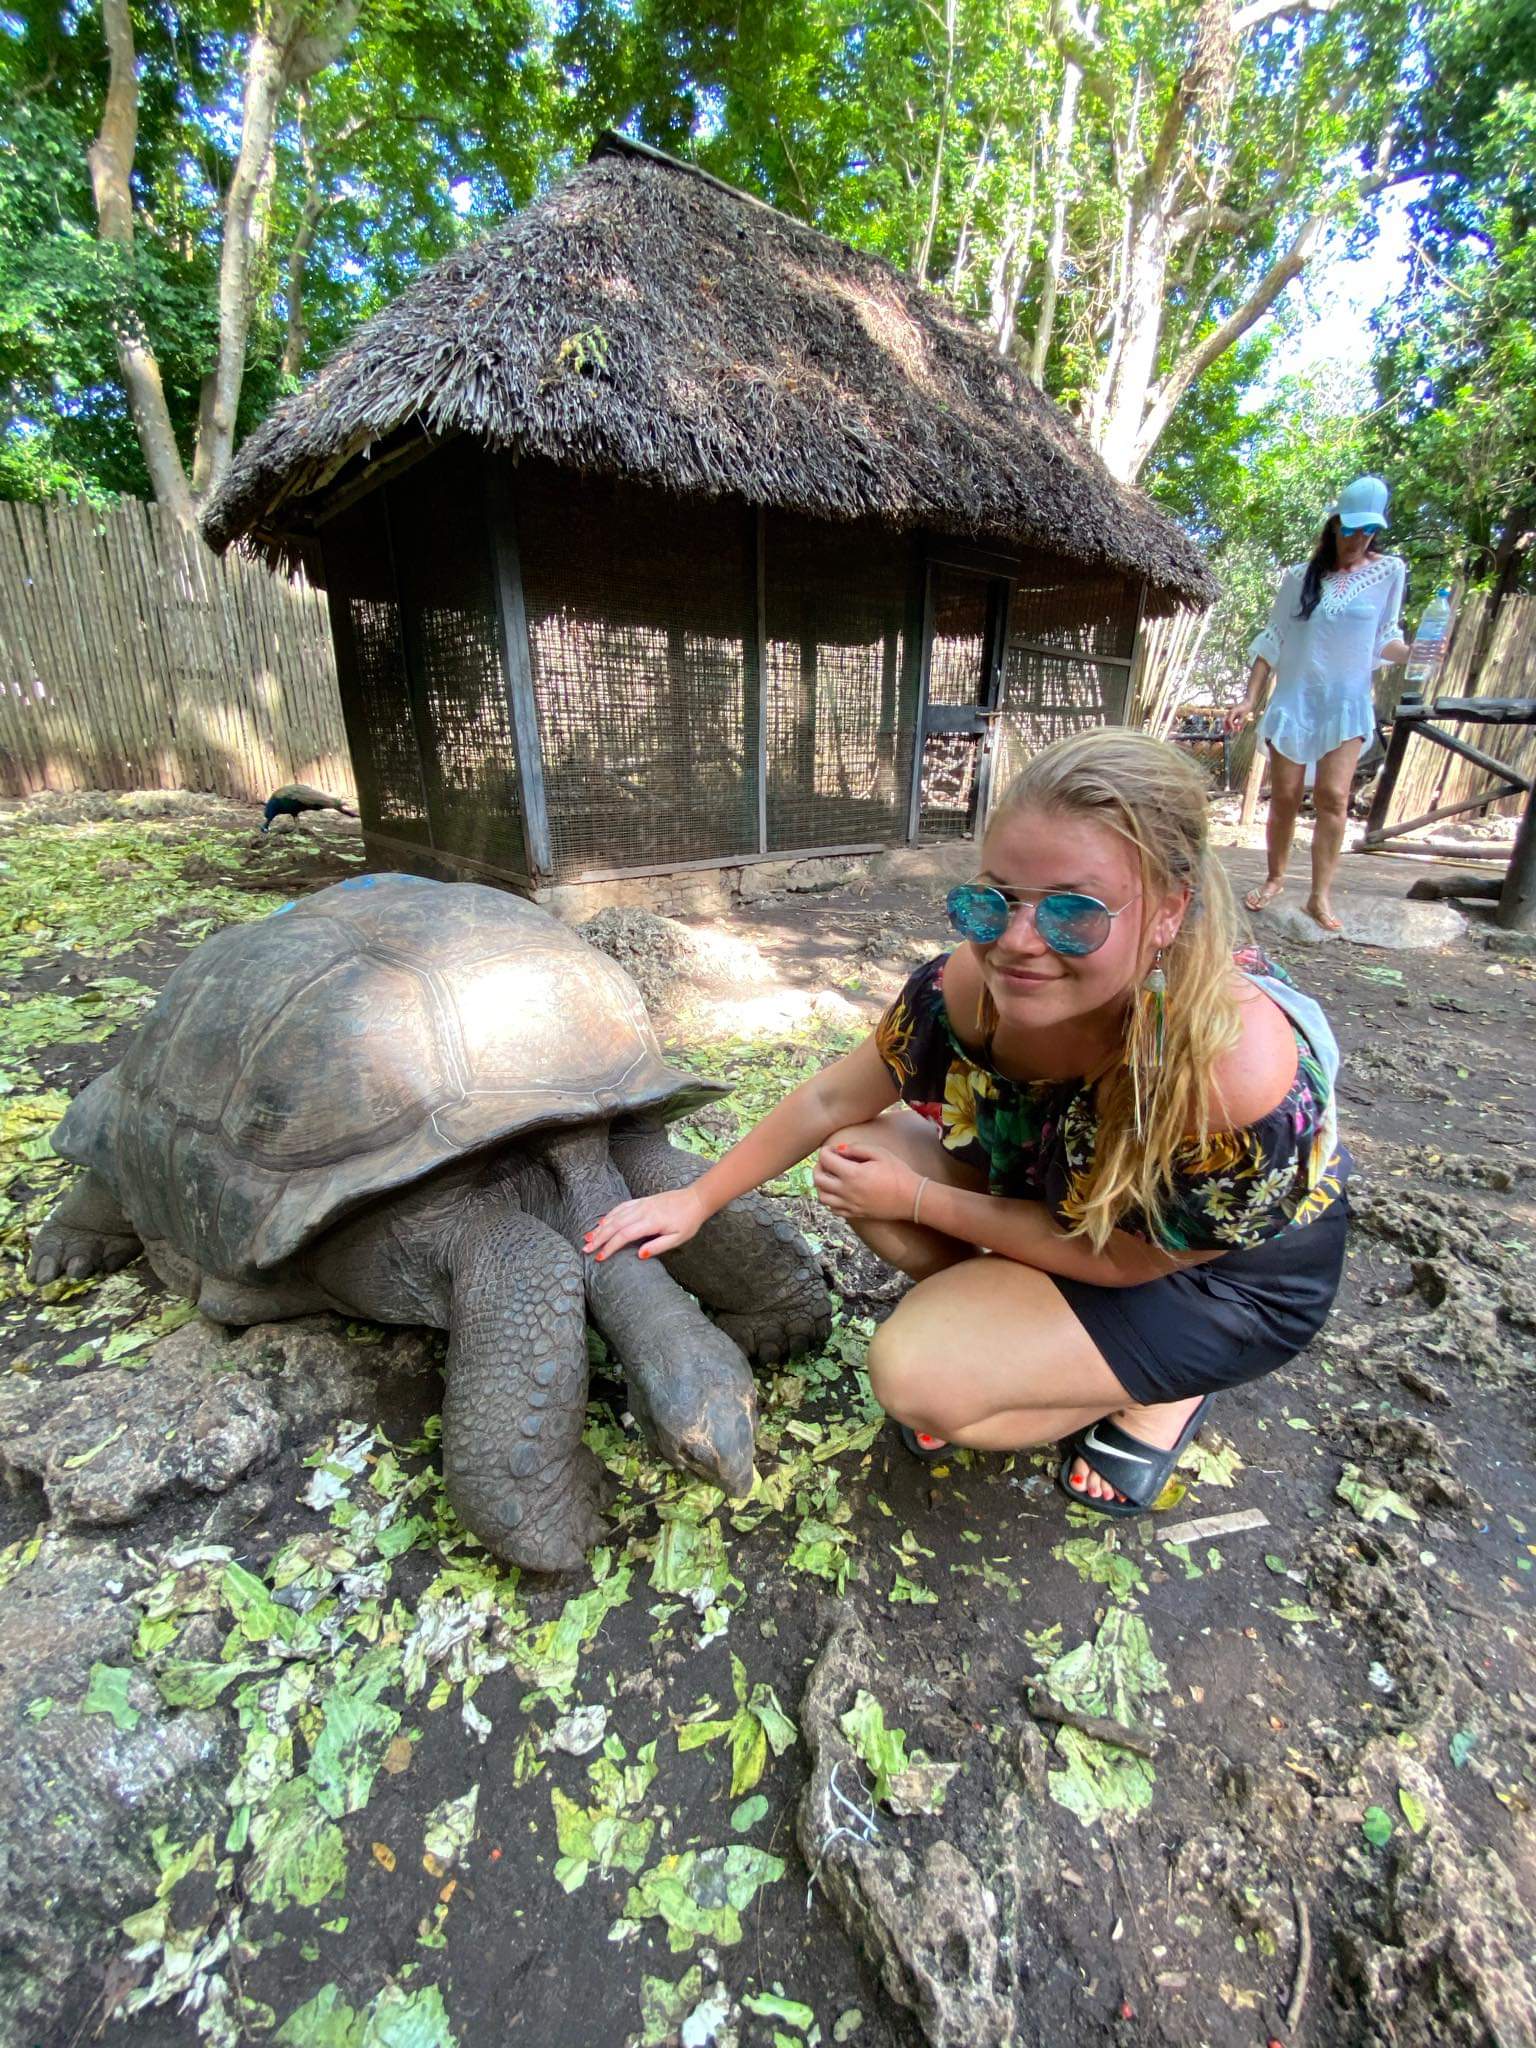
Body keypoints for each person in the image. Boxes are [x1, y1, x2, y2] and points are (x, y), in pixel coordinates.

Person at [586, 729, 1350, 1518]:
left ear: (1167, 910)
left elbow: (1130, 1260)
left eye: (1074, 914)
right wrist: (697, 1198)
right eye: (994, 901)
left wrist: (918, 1202)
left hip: (1205, 1275)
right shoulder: (965, 985)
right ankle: (1028, 1350)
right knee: (861, 1151)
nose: (1018, 943)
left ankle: (1156, 1391)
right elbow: (829, 1102)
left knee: (916, 1378)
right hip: (1061, 1197)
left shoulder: (1226, 1069)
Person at [1225, 476, 1411, 931]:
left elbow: (1387, 638)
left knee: (1334, 797)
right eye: (1350, 529)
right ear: (1334, 525)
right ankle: (1274, 879)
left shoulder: (1389, 571)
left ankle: (1319, 896)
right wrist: (1249, 699)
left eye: (1367, 531)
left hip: (1345, 702)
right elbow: (1273, 640)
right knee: (1285, 796)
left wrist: (1419, 653)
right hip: (1296, 699)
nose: (1358, 539)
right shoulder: (1298, 578)